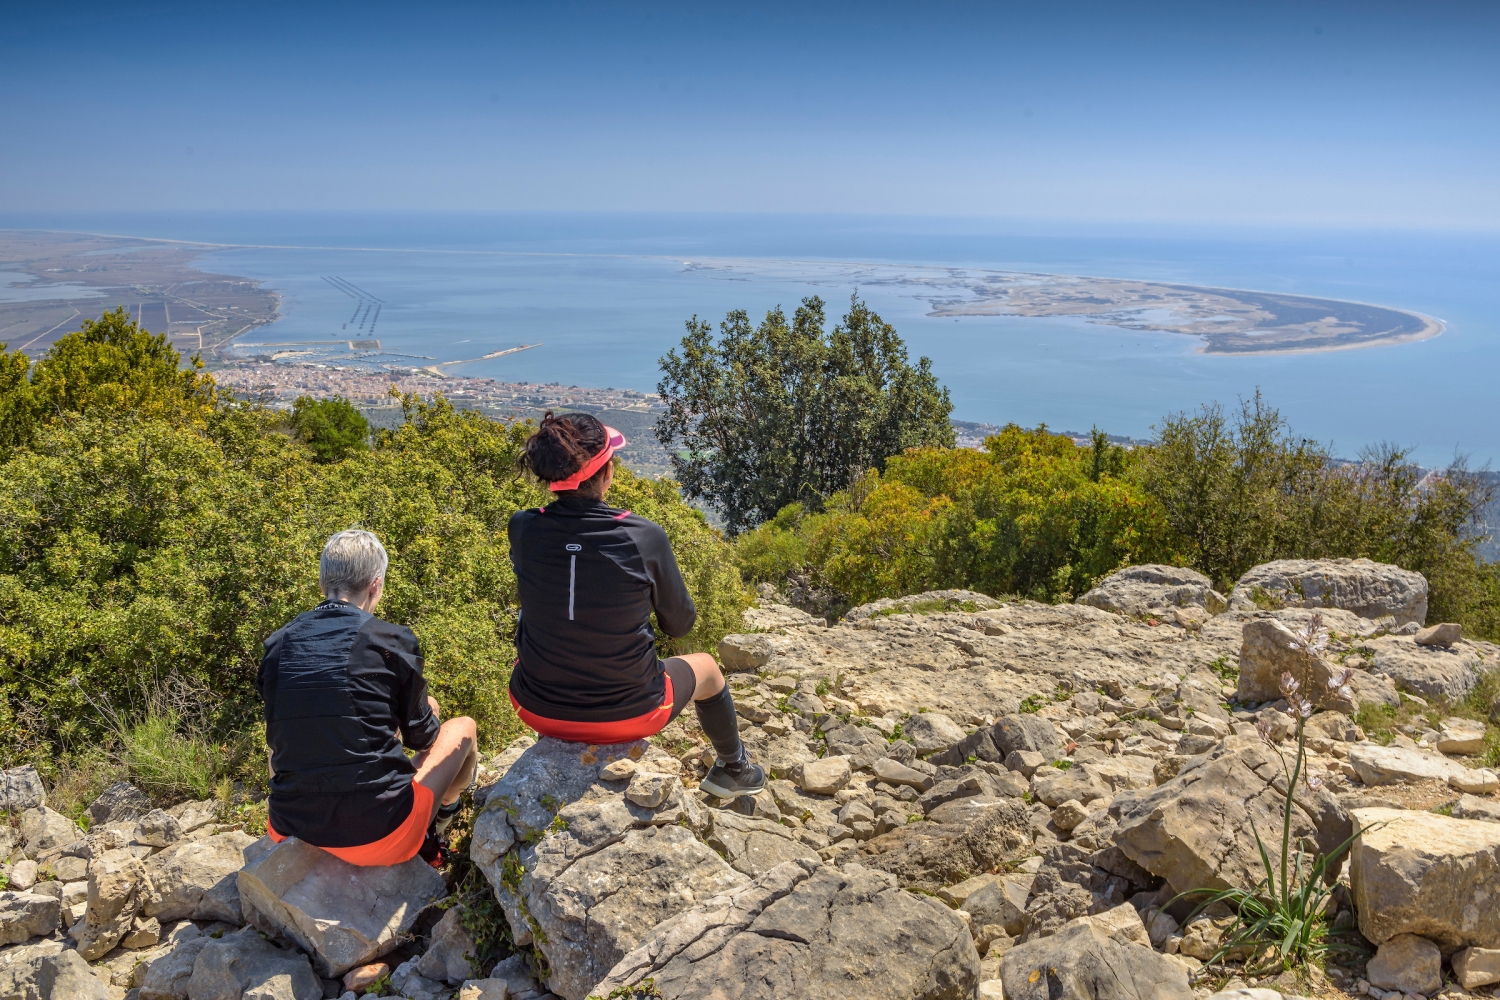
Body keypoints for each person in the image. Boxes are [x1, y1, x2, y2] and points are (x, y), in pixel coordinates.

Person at [508, 412, 765, 798]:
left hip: (536, 707)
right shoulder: (642, 535)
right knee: (709, 669)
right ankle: (734, 768)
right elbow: (680, 625)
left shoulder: (523, 527)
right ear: (607, 472)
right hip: (631, 714)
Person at [258, 529, 478, 866]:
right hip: (380, 835)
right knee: (463, 726)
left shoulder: (277, 645)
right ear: (375, 585)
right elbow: (424, 737)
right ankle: (443, 814)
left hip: (290, 827)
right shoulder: (390, 639)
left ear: (322, 583)